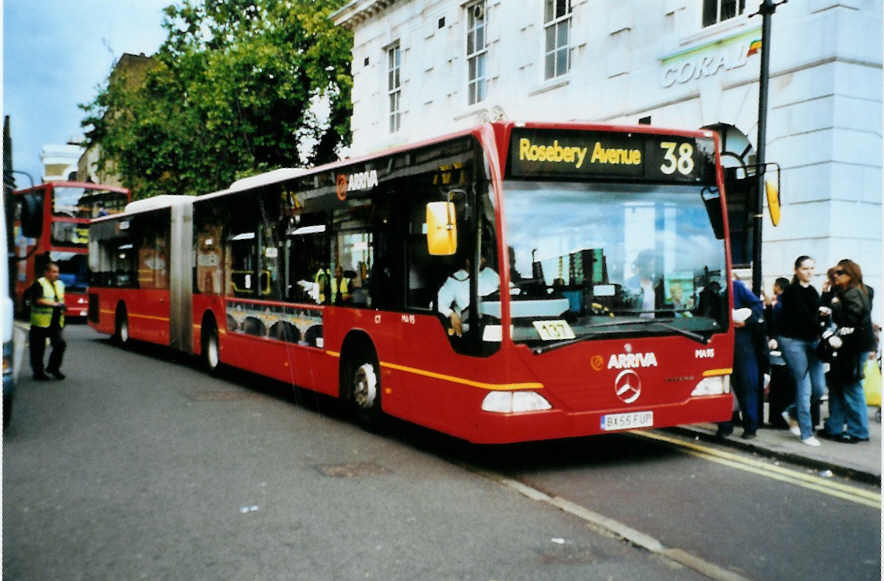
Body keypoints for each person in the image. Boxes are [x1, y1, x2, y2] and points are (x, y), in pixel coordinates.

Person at [818, 259, 875, 443]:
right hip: (846, 346)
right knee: (836, 386)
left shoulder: (855, 293)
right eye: (835, 272)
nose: (836, 275)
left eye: (840, 273)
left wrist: (835, 305)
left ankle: (858, 431)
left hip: (853, 346)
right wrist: (829, 294)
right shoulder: (844, 291)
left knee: (851, 386)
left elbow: (851, 320)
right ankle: (834, 427)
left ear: (851, 274)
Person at [778, 255, 826, 446]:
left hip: (811, 340)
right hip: (792, 342)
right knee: (804, 386)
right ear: (797, 270)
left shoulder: (813, 291)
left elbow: (814, 316)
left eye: (812, 268)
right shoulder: (791, 292)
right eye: (805, 268)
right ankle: (806, 433)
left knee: (819, 388)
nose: (809, 272)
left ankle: (791, 411)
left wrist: (823, 315)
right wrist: (821, 325)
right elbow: (804, 317)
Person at [717, 277, 765, 439]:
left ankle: (750, 427)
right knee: (721, 387)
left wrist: (746, 322)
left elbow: (757, 306)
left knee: (747, 384)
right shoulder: (710, 290)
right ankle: (724, 426)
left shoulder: (736, 286)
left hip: (742, 345)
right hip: (719, 345)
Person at [437, 257, 499, 337]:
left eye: (483, 257)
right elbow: (436, 304)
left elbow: (511, 289)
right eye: (480, 257)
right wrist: (451, 314)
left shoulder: (489, 273)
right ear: (467, 260)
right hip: (474, 329)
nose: (484, 260)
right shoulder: (454, 281)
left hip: (497, 322)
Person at [28, 262, 67, 380]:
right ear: (46, 273)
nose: (57, 274)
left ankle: (53, 368)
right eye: (54, 272)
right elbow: (37, 300)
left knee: (60, 344)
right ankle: (38, 372)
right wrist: (55, 304)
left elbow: (61, 299)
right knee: (38, 349)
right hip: (40, 322)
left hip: (55, 322)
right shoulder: (39, 283)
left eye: (58, 272)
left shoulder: (60, 284)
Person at [765, 277, 794, 428]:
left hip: (779, 348)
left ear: (777, 287)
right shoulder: (791, 302)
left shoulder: (778, 305)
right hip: (791, 350)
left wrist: (768, 307)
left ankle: (777, 419)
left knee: (778, 385)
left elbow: (772, 325)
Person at [624, 250, 663, 319]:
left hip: (658, 326)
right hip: (635, 326)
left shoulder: (658, 284)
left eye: (654, 266)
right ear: (643, 265)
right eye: (651, 265)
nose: (653, 268)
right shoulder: (628, 284)